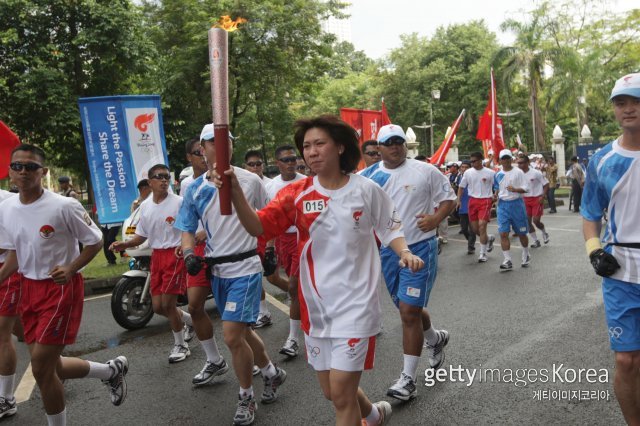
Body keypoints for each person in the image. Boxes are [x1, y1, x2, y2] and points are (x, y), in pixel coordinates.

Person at [217, 115, 421, 425]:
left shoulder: (366, 190)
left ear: (339, 147)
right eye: (307, 146)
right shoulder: (296, 194)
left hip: (356, 306)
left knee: (340, 394)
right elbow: (257, 225)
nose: (311, 152)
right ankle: (374, 414)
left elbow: (390, 227)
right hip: (316, 309)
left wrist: (403, 251)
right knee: (331, 392)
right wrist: (234, 193)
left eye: (319, 144)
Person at [0, 144, 128, 425]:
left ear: (43, 172)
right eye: (17, 166)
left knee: (41, 368)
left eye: (31, 167)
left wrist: (71, 268)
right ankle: (110, 371)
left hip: (59, 290)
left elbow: (95, 240)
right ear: (10, 171)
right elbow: (13, 254)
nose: (23, 172)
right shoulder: (7, 208)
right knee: (52, 366)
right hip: (27, 288)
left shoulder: (64, 206)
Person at [175, 124, 286, 426]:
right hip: (217, 269)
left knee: (232, 335)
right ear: (202, 147)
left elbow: (270, 216)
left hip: (247, 266)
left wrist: (271, 249)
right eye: (213, 142)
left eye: (226, 142)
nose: (220, 147)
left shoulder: (250, 181)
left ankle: (246, 398)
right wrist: (188, 255)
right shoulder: (196, 188)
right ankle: (272, 374)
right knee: (244, 333)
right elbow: (186, 227)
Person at [361, 123, 455, 401]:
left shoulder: (425, 171)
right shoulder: (368, 177)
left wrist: (436, 220)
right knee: (407, 309)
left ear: (405, 144)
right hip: (390, 253)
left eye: (398, 141)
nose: (394, 146)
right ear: (378, 148)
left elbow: (449, 198)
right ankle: (435, 339)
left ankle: (407, 380)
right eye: (388, 142)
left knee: (408, 313)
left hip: (420, 248)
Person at [582, 72, 640, 425]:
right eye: (621, 103)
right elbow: (590, 215)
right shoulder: (602, 160)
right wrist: (593, 250)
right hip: (621, 268)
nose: (629, 109)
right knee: (626, 360)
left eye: (636, 101)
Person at [110, 164, 194, 363]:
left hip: (175, 255)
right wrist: (125, 243)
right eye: (159, 177)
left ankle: (181, 345)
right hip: (157, 256)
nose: (164, 180)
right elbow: (142, 235)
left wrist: (186, 246)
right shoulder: (146, 206)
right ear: (150, 182)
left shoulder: (179, 202)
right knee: (157, 307)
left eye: (166, 176)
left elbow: (189, 227)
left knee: (168, 304)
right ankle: (190, 320)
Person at [180, 136, 229, 386]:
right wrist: (187, 250)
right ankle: (214, 359)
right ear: (192, 155)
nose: (202, 155)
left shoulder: (230, 177)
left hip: (228, 250)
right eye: (197, 152)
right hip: (199, 252)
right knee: (195, 305)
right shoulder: (187, 184)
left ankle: (255, 358)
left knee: (235, 315)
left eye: (205, 150)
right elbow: (186, 221)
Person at [263, 145, 306, 357]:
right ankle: (305, 312)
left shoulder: (306, 182)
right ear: (277, 163)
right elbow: (269, 219)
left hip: (303, 236)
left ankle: (293, 339)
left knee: (293, 286)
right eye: (286, 160)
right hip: (282, 239)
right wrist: (269, 247)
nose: (291, 163)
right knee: (295, 288)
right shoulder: (271, 186)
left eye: (293, 159)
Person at [0, 189, 21, 420]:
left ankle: (6, 399)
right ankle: (53, 366)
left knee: (1, 334)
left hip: (8, 271)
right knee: (25, 333)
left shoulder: (8, 201)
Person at [493, 150, 531, 271]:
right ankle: (507, 260)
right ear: (500, 161)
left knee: (521, 233)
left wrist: (515, 189)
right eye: (503, 158)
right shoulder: (498, 174)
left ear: (511, 159)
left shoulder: (518, 172)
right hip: (503, 205)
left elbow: (526, 188)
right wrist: (495, 195)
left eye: (508, 158)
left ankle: (526, 253)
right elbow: (496, 188)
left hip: (517, 205)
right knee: (503, 233)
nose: (506, 160)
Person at [457, 151, 496, 263]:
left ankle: (482, 254)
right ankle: (489, 239)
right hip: (472, 201)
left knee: (482, 225)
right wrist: (458, 199)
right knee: (474, 229)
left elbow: (497, 185)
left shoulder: (490, 172)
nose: (472, 163)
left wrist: (496, 194)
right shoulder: (468, 173)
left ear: (480, 161)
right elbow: (461, 187)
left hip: (485, 200)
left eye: (474, 161)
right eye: (471, 161)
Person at [517, 155, 550, 247]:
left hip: (536, 199)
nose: (519, 165)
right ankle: (536, 240)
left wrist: (542, 196)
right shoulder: (518, 174)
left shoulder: (536, 173)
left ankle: (544, 232)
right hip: (525, 200)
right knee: (527, 222)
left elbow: (546, 184)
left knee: (536, 221)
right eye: (518, 163)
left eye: (521, 162)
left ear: (527, 163)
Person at [457, 161, 476, 254]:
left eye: (466, 167)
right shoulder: (459, 177)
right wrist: (458, 200)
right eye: (462, 167)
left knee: (472, 228)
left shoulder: (473, 177)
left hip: (472, 204)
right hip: (462, 205)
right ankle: (471, 240)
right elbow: (458, 189)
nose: (464, 169)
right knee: (464, 229)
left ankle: (471, 246)